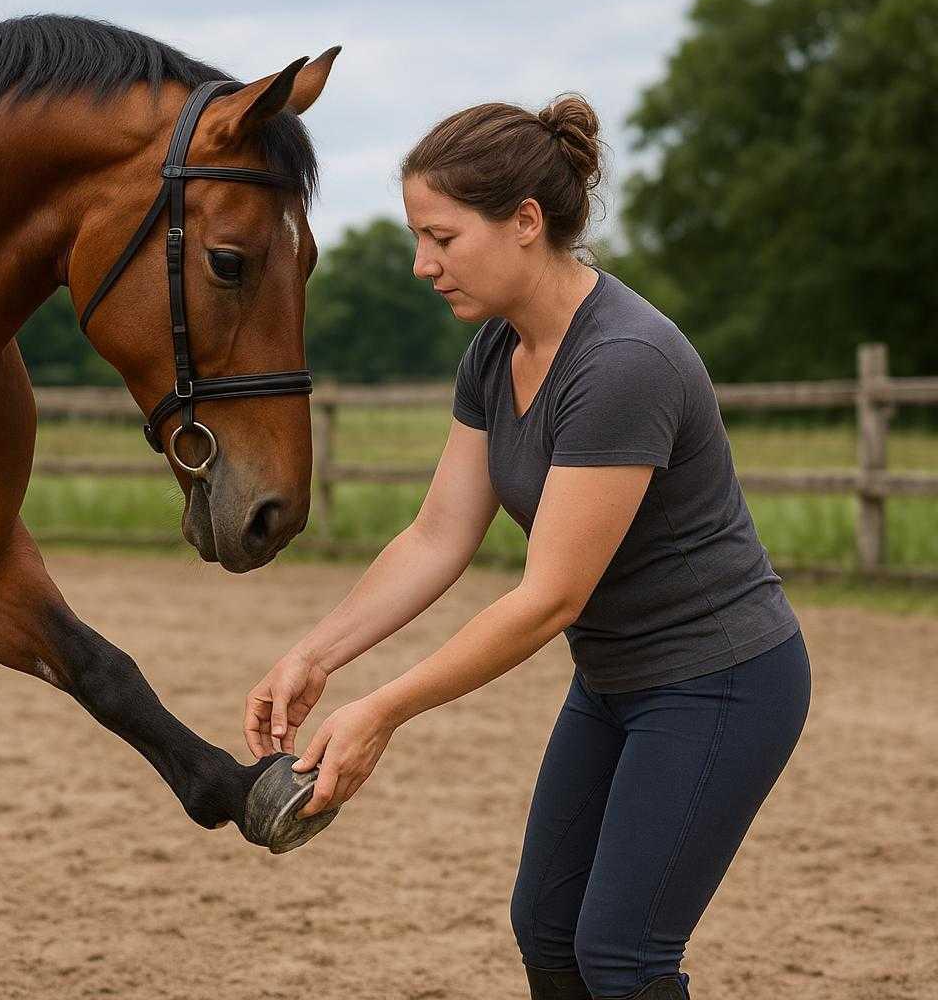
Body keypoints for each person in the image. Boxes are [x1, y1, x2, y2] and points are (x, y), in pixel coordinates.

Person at [243, 95, 811, 1000]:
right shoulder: (495, 352)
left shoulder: (623, 362)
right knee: (547, 929)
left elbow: (549, 596)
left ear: (525, 223)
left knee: (622, 955)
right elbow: (436, 536)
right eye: (416, 239)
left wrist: (381, 709)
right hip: (618, 679)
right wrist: (317, 654)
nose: (424, 265)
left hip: (722, 680)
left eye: (441, 237)